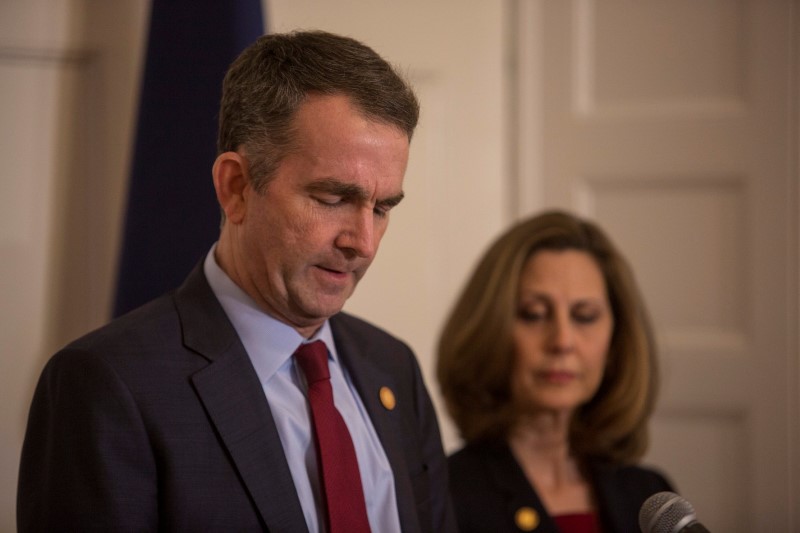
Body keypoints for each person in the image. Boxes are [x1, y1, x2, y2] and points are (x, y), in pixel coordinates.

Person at [18, 30, 455, 533]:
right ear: (236, 187)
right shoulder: (109, 386)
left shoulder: (391, 367)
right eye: (333, 199)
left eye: (381, 209)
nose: (364, 243)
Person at [437, 210, 673, 533]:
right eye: (534, 314)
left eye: (585, 316)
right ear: (489, 332)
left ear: (616, 341)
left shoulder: (651, 498)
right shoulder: (444, 496)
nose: (562, 341)